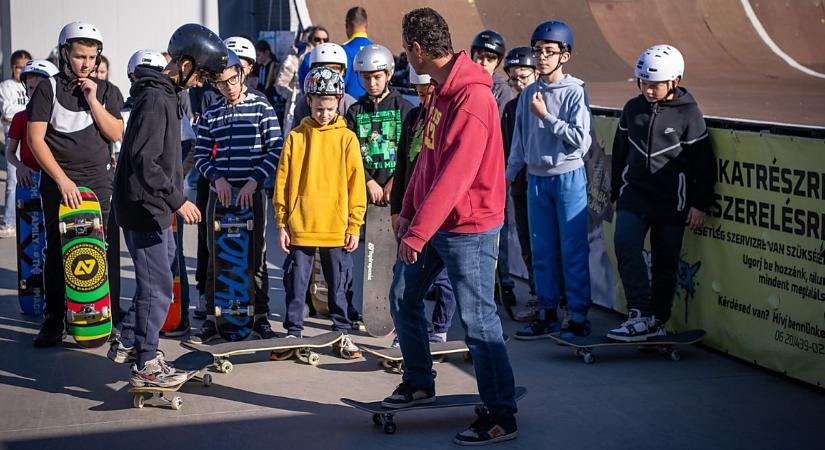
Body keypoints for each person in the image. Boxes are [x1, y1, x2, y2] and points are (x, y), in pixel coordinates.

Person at [385, 8, 518, 445]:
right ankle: (419, 380)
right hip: (434, 221)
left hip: (469, 227)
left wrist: (418, 232)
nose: (407, 58)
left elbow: (455, 175)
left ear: (418, 50)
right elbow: (426, 161)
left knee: (478, 319)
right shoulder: (440, 94)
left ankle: (501, 414)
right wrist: (409, 210)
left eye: (406, 50)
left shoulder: (472, 98)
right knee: (403, 296)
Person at [108, 23, 226, 387]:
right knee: (157, 288)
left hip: (152, 206)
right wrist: (178, 200)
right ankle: (146, 363)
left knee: (161, 275)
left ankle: (131, 339)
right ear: (186, 65)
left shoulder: (165, 96)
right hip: (145, 208)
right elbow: (144, 161)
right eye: (201, 75)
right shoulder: (156, 100)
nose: (201, 84)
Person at [608, 45, 715, 341]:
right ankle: (639, 314)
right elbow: (619, 153)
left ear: (675, 82)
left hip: (671, 202)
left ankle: (657, 320)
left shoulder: (689, 114)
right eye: (643, 83)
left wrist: (700, 203)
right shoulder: (632, 108)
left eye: (655, 84)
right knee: (625, 245)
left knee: (664, 263)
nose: (648, 90)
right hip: (634, 197)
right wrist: (617, 192)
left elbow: (705, 164)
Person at [28, 22, 124, 348]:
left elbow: (115, 133)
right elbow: (35, 140)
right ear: (65, 53)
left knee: (104, 247)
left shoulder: (106, 90)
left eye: (92, 57)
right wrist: (62, 180)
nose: (86, 63)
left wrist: (93, 100)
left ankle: (109, 316)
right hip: (59, 182)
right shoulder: (47, 89)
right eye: (80, 56)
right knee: (58, 249)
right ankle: (55, 319)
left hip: (99, 182)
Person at [189, 50, 283, 344]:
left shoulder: (261, 105)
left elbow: (275, 148)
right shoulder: (212, 112)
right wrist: (217, 178)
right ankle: (212, 318)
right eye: (221, 83)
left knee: (256, 256)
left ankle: (260, 317)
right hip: (220, 195)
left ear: (242, 74)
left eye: (232, 79)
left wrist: (254, 181)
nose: (228, 87)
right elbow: (200, 155)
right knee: (215, 256)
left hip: (251, 194)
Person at [506, 20, 593, 340]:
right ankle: (547, 312)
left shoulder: (574, 92)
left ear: (564, 56)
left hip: (568, 177)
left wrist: (547, 117)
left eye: (549, 51)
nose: (541, 57)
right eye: (538, 51)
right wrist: (507, 177)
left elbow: (581, 142)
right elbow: (519, 143)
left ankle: (578, 315)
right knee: (541, 251)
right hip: (537, 180)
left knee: (572, 251)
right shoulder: (529, 93)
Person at [274, 66, 365, 359]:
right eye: (318, 108)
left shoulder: (347, 138)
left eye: (329, 109)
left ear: (338, 102)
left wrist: (354, 225)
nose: (324, 114)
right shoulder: (296, 137)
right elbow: (283, 182)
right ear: (309, 101)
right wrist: (281, 222)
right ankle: (293, 332)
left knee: (338, 285)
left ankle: (342, 332)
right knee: (296, 284)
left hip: (336, 227)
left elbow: (356, 184)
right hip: (301, 225)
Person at [345, 43, 413, 328]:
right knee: (367, 254)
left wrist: (394, 183)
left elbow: (410, 152)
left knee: (397, 253)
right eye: (366, 77)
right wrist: (368, 181)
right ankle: (366, 308)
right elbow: (350, 154)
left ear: (388, 74)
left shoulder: (404, 108)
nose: (371, 83)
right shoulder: (355, 111)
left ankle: (400, 308)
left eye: (377, 76)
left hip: (396, 194)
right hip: (367, 192)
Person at [389, 65, 455, 345]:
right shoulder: (413, 118)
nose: (424, 100)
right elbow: (402, 167)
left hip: (438, 214)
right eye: (419, 94)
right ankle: (408, 333)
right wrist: (397, 210)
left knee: (443, 279)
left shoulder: (447, 120)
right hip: (412, 212)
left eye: (428, 94)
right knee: (403, 280)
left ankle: (440, 328)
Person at [470, 29, 517, 311]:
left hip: (492, 167)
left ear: (497, 62)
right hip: (468, 166)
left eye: (490, 59)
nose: (483, 63)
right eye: (480, 57)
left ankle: (504, 282)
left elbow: (493, 126)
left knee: (497, 228)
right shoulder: (467, 82)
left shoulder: (501, 89)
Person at [500, 46, 538, 321]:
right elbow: (506, 148)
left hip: (544, 184)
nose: (518, 83)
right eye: (513, 79)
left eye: (523, 77)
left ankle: (561, 300)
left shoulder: (545, 101)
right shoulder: (511, 108)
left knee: (548, 244)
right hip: (520, 186)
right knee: (527, 243)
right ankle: (537, 295)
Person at [5, 60, 58, 199]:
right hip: (29, 180)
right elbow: (10, 153)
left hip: (56, 180)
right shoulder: (20, 117)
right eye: (30, 88)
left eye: (41, 88)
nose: (35, 93)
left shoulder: (61, 118)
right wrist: (20, 166)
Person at [0, 49, 32, 238]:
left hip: (31, 134)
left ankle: (29, 216)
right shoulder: (6, 86)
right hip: (13, 135)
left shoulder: (32, 83)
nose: (21, 70)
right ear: (12, 68)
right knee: (13, 179)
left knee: (32, 177)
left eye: (24, 67)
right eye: (18, 67)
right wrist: (27, 111)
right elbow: (7, 111)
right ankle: (9, 221)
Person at [291, 42, 356, 129]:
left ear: (343, 72)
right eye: (322, 69)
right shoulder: (303, 105)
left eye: (334, 69)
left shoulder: (349, 105)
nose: (327, 76)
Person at [341, 7, 372, 99]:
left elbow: (341, 82)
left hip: (350, 104)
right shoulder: (377, 50)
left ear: (347, 26)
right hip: (372, 103)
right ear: (367, 25)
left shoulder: (344, 49)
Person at [296, 26, 330, 95]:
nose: (322, 42)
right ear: (310, 40)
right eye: (317, 39)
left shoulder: (333, 57)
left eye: (325, 40)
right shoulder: (305, 59)